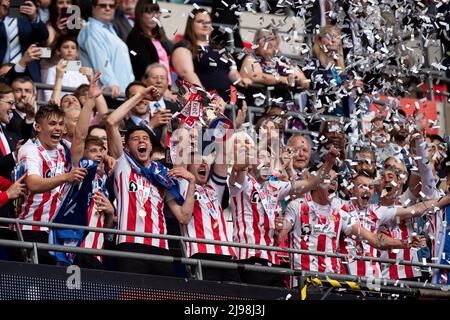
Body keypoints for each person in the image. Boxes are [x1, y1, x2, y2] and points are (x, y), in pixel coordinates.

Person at [105, 84, 196, 276]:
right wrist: (141, 95)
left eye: (145, 138)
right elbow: (112, 121)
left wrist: (192, 183)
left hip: (161, 249)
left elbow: (183, 217)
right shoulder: (123, 164)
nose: (141, 141)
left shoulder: (163, 174)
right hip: (129, 245)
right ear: (127, 147)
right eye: (135, 139)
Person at [228, 134, 339, 286]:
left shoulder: (275, 187)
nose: (267, 162)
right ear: (251, 163)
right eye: (262, 158)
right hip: (249, 257)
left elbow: (310, 184)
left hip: (273, 261)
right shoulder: (242, 184)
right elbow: (237, 168)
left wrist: (329, 162)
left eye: (269, 159)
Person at [15, 104, 88, 264]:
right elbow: (33, 184)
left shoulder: (64, 148)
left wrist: (90, 99)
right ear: (38, 127)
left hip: (57, 231)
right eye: (52, 124)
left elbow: (81, 136)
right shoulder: (30, 150)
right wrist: (65, 177)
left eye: (61, 124)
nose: (58, 128)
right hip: (32, 228)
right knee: (34, 286)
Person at [171, 8, 248, 102]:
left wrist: (240, 80)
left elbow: (232, 72)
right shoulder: (184, 46)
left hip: (225, 104)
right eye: (200, 21)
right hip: (200, 104)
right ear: (191, 24)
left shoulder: (220, 48)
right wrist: (205, 97)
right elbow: (186, 73)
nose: (205, 25)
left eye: (208, 22)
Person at [77, 0, 134, 98]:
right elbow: (101, 60)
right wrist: (111, 83)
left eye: (111, 6)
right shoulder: (91, 29)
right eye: (103, 5)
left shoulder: (108, 28)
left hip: (122, 92)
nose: (108, 8)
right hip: (109, 93)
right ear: (93, 8)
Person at [0, 0, 49, 82]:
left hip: (27, 71)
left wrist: (34, 17)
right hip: (2, 70)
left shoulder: (27, 20)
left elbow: (44, 36)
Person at [126, 0, 173, 82]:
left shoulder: (158, 35)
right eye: (149, 12)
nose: (155, 17)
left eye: (157, 12)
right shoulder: (135, 37)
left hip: (165, 84)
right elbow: (144, 68)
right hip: (150, 87)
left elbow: (172, 51)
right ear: (140, 15)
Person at [41, 35, 90, 103]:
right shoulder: (52, 70)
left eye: (73, 48)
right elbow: (48, 95)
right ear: (58, 51)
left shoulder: (83, 71)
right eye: (66, 47)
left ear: (77, 53)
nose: (69, 50)